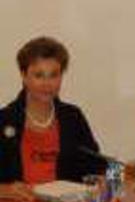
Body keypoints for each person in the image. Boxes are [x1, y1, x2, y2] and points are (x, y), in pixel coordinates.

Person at [0, 36, 106, 190]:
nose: (47, 84)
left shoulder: (72, 117)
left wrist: (107, 180)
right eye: (39, 75)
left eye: (54, 75)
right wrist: (7, 190)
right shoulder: (4, 119)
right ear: (23, 76)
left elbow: (98, 165)